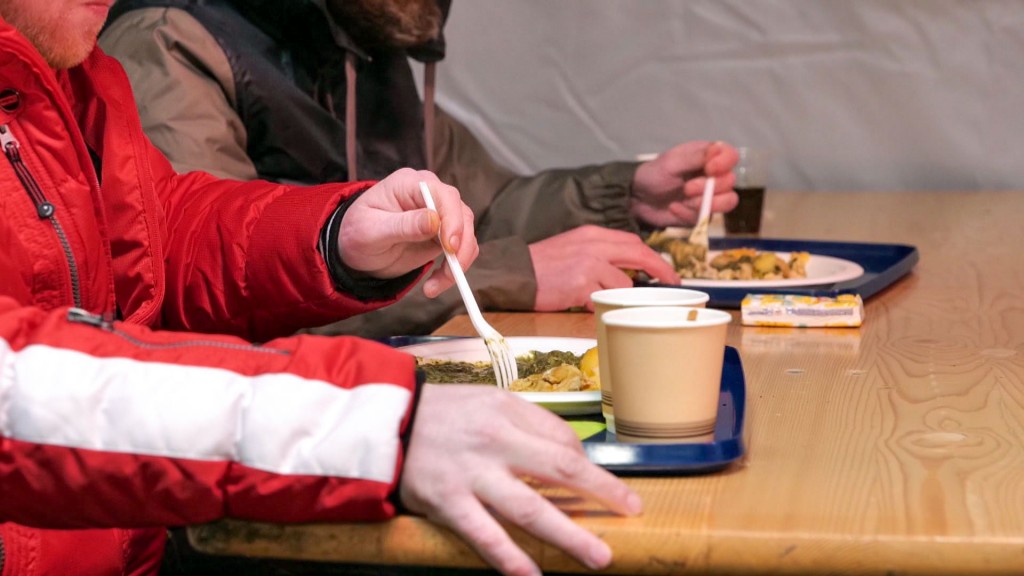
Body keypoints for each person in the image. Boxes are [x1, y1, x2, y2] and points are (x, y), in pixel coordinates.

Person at [0, 3, 642, 576]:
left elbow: (158, 230)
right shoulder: (164, 39)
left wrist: (334, 235)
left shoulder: (68, 73)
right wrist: (366, 426)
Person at [99, 0, 741, 339]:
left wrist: (622, 197)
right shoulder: (170, 39)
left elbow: (482, 206)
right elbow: (204, 291)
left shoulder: (365, 39)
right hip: (262, 455)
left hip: (370, 399)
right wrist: (514, 274)